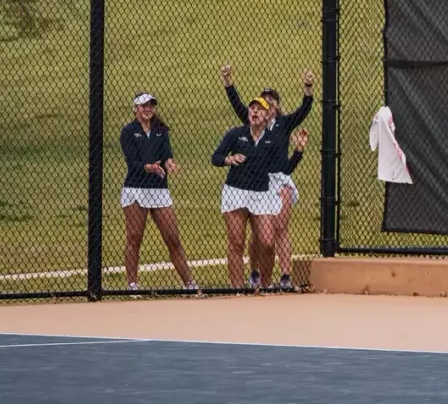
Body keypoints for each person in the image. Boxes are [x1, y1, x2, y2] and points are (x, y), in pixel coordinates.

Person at [220, 64, 314, 290]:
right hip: (256, 180)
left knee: (277, 228)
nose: (268, 102)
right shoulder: (252, 120)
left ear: (277, 105)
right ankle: (253, 272)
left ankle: (284, 275)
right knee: (256, 232)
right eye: (264, 99)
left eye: (272, 100)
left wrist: (308, 87)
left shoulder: (283, 123)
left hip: (278, 178)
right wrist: (228, 81)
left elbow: (304, 109)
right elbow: (237, 104)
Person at [212, 96, 295, 290]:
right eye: (252, 108)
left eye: (260, 109)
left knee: (267, 242)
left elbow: (285, 167)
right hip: (236, 192)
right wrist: (228, 160)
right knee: (237, 242)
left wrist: (298, 150)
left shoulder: (272, 139)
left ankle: (264, 287)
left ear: (267, 115)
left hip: (261, 194)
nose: (255, 112)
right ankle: (238, 289)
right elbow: (215, 157)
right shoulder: (236, 134)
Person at [118, 93, 197, 292]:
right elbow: (132, 163)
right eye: (144, 106)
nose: (148, 109)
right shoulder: (128, 131)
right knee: (135, 237)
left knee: (173, 238)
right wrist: (149, 167)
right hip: (136, 188)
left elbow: (166, 155)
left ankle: (189, 283)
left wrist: (169, 163)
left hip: (159, 189)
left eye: (151, 106)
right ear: (135, 108)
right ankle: (132, 284)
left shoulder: (161, 130)